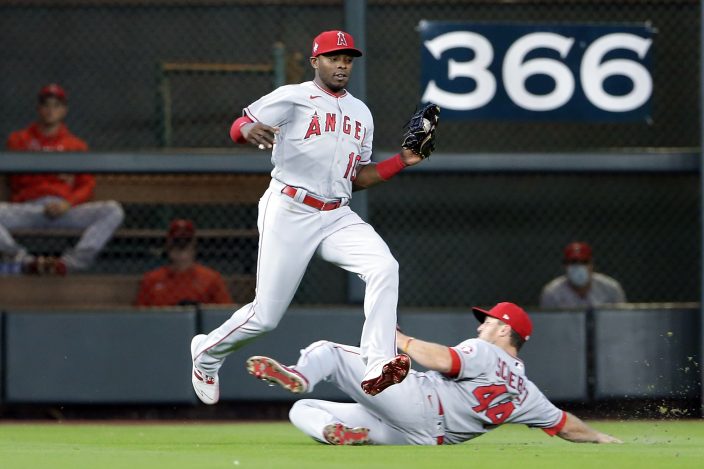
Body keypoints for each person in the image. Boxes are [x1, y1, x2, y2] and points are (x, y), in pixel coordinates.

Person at [190, 29, 430, 405]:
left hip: (336, 214)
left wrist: (402, 160)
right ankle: (207, 354)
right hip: (290, 208)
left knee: (384, 266)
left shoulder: (361, 113)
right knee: (265, 317)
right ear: (316, 61)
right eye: (334, 57)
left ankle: (377, 362)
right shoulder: (293, 97)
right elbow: (239, 125)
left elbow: (357, 178)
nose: (342, 65)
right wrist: (248, 128)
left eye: (348, 59)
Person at [245, 302, 623, 446]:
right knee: (303, 411)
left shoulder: (486, 351)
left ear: (504, 330)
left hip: (418, 402)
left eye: (488, 320)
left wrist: (401, 340)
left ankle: (300, 374)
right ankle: (338, 434)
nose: (481, 326)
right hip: (424, 438)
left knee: (328, 352)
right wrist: (603, 438)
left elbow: (443, 360)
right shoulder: (526, 393)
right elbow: (564, 425)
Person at [1, 83, 124, 275]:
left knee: (113, 210)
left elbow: (87, 184)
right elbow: (15, 181)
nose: (51, 110)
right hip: (30, 209)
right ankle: (23, 261)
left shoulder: (76, 145)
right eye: (46, 104)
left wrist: (68, 203)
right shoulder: (19, 139)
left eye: (56, 105)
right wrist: (51, 179)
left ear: (64, 110)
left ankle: (70, 263)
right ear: (38, 108)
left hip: (65, 210)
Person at [135, 219, 233, 307]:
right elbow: (140, 317)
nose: (181, 247)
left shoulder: (211, 279)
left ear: (194, 245)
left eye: (186, 241)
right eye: (177, 241)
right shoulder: (151, 280)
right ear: (168, 245)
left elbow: (225, 315)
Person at [539, 241, 626, 309]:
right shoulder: (552, 293)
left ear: (592, 264)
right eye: (573, 262)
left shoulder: (611, 289)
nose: (579, 267)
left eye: (584, 262)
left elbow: (620, 321)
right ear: (565, 266)